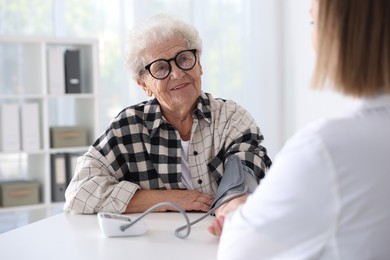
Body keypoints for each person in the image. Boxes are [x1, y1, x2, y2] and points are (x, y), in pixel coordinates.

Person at [216, 0, 390, 259]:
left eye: (314, 21)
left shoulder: (326, 149)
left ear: (341, 32)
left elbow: (236, 253)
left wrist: (239, 216)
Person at [64, 14, 272, 225]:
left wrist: (231, 214)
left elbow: (245, 178)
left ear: (198, 64)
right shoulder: (128, 127)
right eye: (161, 68)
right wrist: (170, 199)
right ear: (144, 84)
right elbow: (79, 191)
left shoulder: (232, 118)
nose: (177, 74)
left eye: (184, 59)